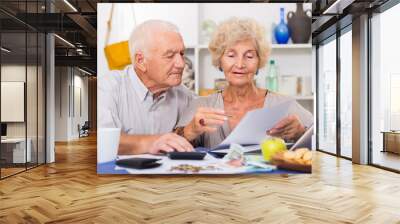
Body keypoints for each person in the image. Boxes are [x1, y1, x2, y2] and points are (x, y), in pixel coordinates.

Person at [175, 17, 313, 148]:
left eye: (249, 56)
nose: (240, 64)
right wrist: (189, 131)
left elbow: (322, 140)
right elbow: (170, 147)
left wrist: (300, 133)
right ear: (220, 60)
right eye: (231, 55)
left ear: (259, 61)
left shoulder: (283, 105)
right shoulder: (201, 105)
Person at [98, 20, 195, 155]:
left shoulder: (185, 95)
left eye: (182, 54)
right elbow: (102, 141)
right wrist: (152, 142)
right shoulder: (107, 88)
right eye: (170, 55)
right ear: (140, 61)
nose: (181, 64)